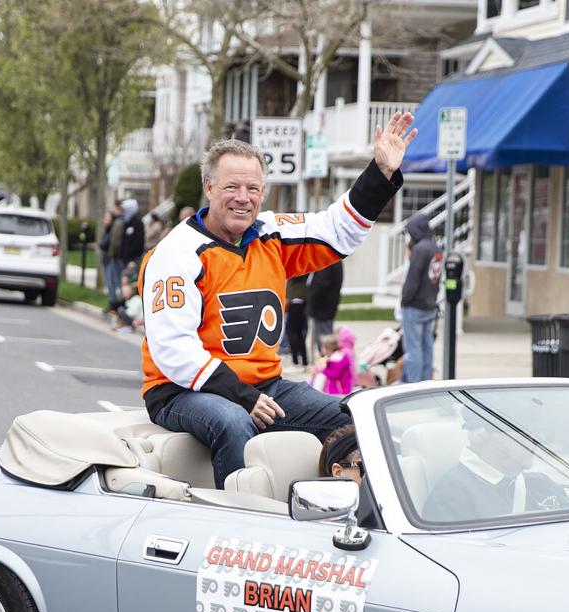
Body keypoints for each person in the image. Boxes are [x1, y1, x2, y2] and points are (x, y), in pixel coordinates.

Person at [140, 113, 415, 487]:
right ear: (209, 187)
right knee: (232, 421)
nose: (243, 198)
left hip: (264, 384)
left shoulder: (269, 233)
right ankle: (238, 524)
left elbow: (338, 231)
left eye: (253, 189)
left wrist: (380, 173)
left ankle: (332, 507)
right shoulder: (177, 254)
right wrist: (244, 396)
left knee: (354, 414)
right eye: (231, 187)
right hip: (181, 391)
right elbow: (173, 351)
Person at [423, 407, 569, 522]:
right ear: (482, 435)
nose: (539, 438)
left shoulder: (542, 485)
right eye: (526, 431)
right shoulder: (451, 497)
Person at [399, 212, 441, 383]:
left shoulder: (420, 249)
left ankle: (412, 385)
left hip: (414, 306)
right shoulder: (435, 248)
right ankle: (425, 383)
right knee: (427, 347)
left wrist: (404, 300)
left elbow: (412, 279)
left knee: (413, 349)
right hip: (429, 305)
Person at [306, 259, 343, 346]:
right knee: (325, 339)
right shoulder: (336, 260)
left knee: (324, 341)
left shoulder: (328, 261)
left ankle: (327, 359)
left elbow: (321, 284)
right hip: (327, 305)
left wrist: (312, 303)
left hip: (323, 307)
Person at [100, 201, 125, 306]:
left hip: (113, 257)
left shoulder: (116, 225)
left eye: (107, 217)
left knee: (114, 282)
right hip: (108, 257)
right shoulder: (108, 228)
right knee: (110, 283)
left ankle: (115, 304)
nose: (105, 220)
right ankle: (112, 303)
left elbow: (112, 242)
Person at [285, 274, 309, 366]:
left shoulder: (300, 269)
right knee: (299, 333)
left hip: (296, 301)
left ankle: (295, 359)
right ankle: (304, 359)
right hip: (300, 301)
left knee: (291, 331)